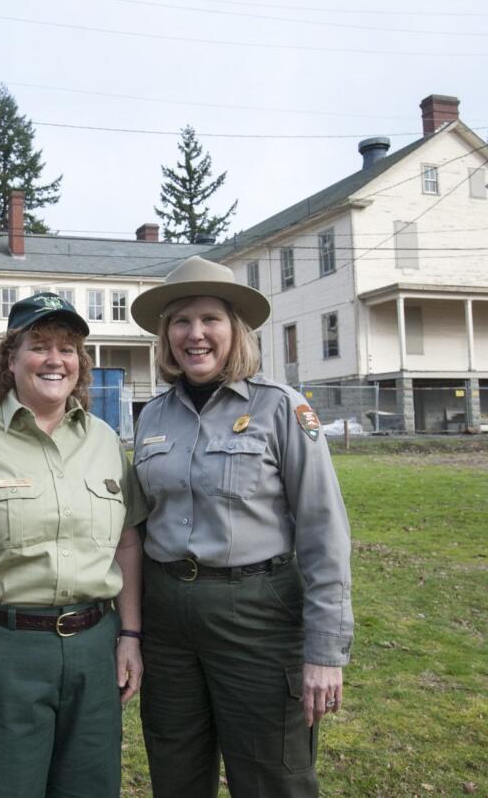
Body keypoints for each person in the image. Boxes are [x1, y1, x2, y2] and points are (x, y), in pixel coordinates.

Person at [129, 256, 353, 797]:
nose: (195, 334)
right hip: (168, 621)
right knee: (175, 770)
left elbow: (324, 532)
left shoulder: (282, 409)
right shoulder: (153, 416)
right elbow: (137, 525)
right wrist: (130, 631)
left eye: (210, 319)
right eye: (180, 321)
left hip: (257, 614)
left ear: (236, 330)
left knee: (271, 774)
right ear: (166, 336)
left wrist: (324, 651)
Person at [0, 292, 147, 798]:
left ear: (80, 364)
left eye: (67, 348)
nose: (54, 359)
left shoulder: (105, 441)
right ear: (11, 360)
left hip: (92, 651)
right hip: (1, 654)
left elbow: (127, 543)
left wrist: (130, 634)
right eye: (39, 346)